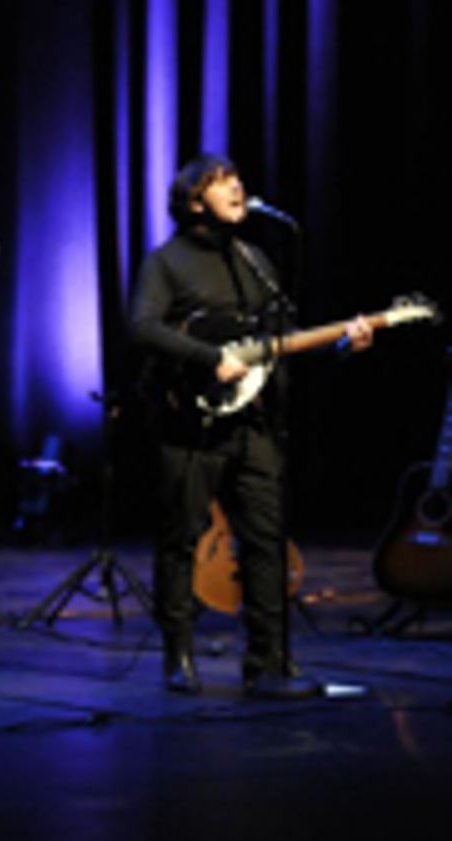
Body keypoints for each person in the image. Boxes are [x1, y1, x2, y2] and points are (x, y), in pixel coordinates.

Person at [130, 153, 373, 699]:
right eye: (222, 182)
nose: (237, 187)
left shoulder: (254, 259)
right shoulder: (167, 262)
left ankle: (268, 664)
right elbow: (142, 327)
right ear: (195, 202)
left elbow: (284, 340)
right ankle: (179, 658)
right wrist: (208, 358)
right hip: (190, 425)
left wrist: (341, 344)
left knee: (266, 541)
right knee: (180, 541)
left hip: (254, 423)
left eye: (238, 179)